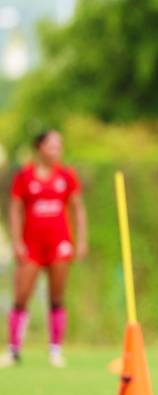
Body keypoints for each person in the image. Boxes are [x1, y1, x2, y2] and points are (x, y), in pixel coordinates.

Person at [0, 131, 88, 368]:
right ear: (39, 147)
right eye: (51, 145)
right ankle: (14, 350)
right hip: (31, 246)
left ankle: (55, 350)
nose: (56, 150)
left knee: (56, 297)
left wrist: (81, 240)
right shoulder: (25, 176)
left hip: (59, 245)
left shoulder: (67, 175)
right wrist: (16, 240)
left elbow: (78, 208)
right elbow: (15, 209)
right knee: (21, 296)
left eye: (59, 146)